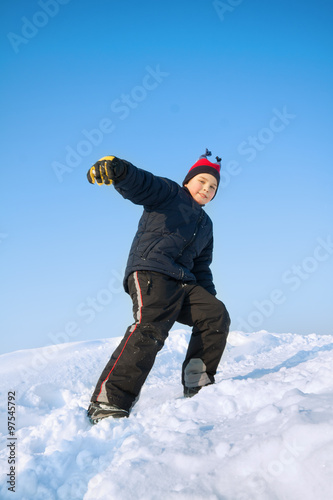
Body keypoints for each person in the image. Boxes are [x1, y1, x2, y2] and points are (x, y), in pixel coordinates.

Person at [86, 149, 230, 424]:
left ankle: (197, 381)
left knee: (215, 315)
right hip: (151, 271)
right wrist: (119, 169)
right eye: (202, 181)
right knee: (150, 327)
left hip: (183, 282)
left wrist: (206, 300)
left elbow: (201, 267)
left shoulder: (206, 224)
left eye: (213, 187)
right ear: (189, 181)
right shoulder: (170, 193)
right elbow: (142, 183)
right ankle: (108, 401)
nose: (207, 189)